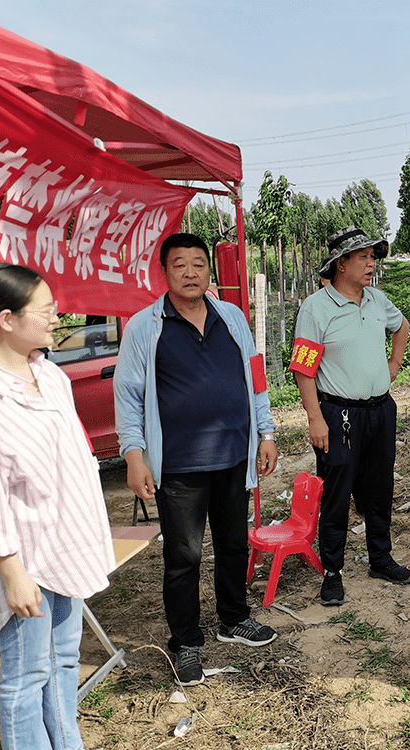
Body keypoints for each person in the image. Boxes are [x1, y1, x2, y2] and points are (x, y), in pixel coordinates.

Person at [0, 263, 116, 750]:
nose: (57, 319)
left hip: (63, 544)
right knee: (26, 673)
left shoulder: (48, 374)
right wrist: (12, 571)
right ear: (7, 320)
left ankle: (66, 742)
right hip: (21, 560)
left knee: (62, 661)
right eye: (46, 311)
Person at [114, 233, 278, 687]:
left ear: (210, 271)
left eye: (198, 264)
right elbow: (127, 397)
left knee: (232, 544)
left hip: (232, 456)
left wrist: (266, 433)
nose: (191, 273)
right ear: (164, 272)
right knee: (183, 556)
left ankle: (233, 619)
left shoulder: (232, 319)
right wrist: (134, 456)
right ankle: (186, 643)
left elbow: (256, 379)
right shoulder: (145, 327)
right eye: (180, 265)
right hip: (180, 467)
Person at [291, 225, 410, 607]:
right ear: (341, 264)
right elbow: (303, 367)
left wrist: (394, 362)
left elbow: (401, 326)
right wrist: (315, 417)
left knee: (379, 488)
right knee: (338, 492)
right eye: (363, 257)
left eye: (373, 256)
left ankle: (380, 557)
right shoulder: (317, 308)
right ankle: (333, 572)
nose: (371, 263)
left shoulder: (377, 300)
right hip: (338, 414)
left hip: (380, 411)